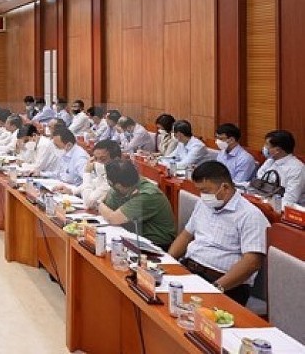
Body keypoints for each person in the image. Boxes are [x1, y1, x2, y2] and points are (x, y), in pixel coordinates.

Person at [168, 161, 270, 305]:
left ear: (225, 188)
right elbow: (186, 235)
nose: (202, 196)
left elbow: (252, 262)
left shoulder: (250, 215)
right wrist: (167, 262)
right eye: (200, 191)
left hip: (224, 284)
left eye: (206, 191)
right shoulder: (203, 204)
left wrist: (215, 288)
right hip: (190, 269)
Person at [92, 160, 176, 250]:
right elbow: (107, 210)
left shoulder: (148, 194)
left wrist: (98, 203)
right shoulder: (120, 186)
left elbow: (113, 218)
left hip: (156, 244)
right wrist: (103, 207)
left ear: (117, 185)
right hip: (131, 236)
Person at [55, 139, 121, 208]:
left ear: (116, 160)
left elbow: (88, 203)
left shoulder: (113, 181)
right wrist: (71, 191)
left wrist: (87, 172)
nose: (97, 162)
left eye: (103, 159)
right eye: (95, 158)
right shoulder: (102, 176)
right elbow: (93, 183)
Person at [256, 130, 304, 207]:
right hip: (264, 201)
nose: (265, 148)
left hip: (284, 210)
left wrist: (265, 204)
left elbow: (289, 201)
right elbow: (259, 178)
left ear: (277, 150)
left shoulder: (297, 169)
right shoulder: (270, 160)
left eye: (267, 145)